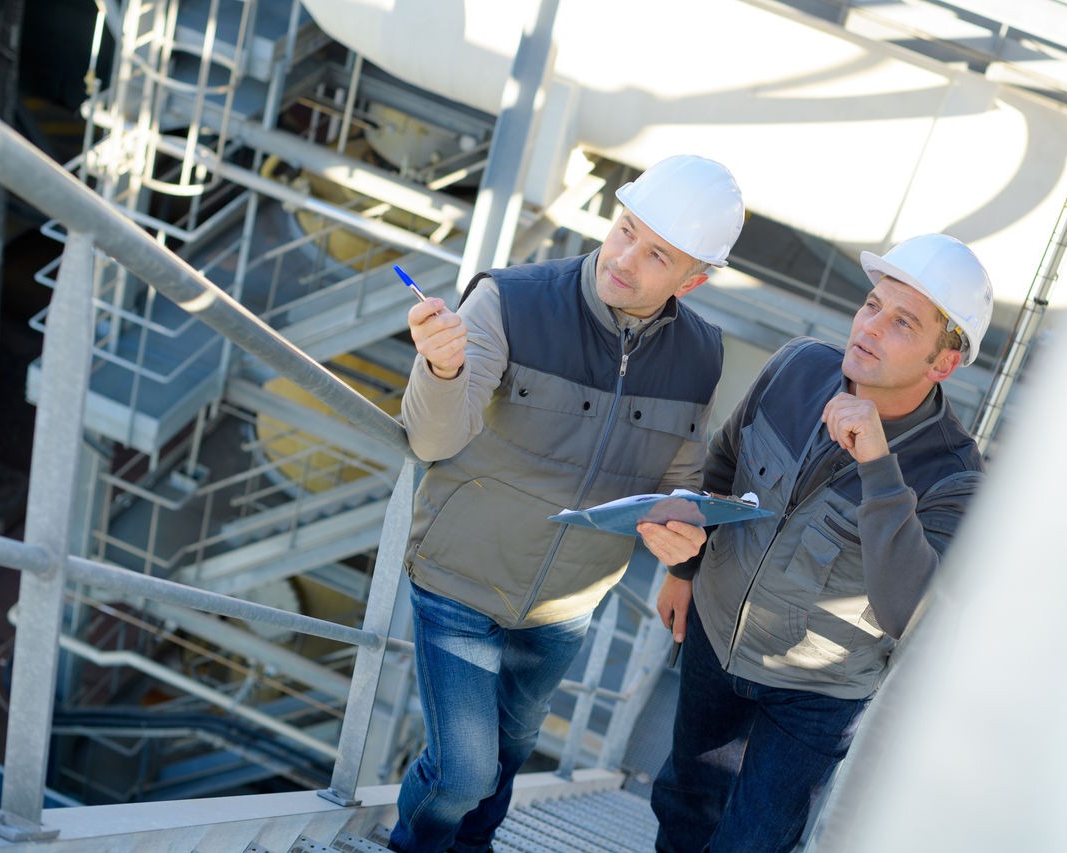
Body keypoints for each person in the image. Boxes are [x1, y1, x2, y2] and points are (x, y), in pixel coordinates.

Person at [385, 154, 745, 853]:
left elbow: (680, 472)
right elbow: (432, 439)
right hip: (461, 579)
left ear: (692, 279)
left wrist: (681, 545)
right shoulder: (510, 300)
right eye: (625, 229)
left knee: (512, 751)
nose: (624, 258)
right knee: (463, 770)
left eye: (656, 253)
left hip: (565, 606)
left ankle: (472, 847)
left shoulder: (702, 354)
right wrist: (442, 365)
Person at [643, 233, 994, 853]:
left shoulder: (956, 477)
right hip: (714, 638)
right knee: (684, 802)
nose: (870, 328)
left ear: (943, 364)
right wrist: (685, 570)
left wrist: (880, 469)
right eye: (871, 306)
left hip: (815, 696)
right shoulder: (797, 368)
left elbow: (908, 613)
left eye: (902, 323)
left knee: (753, 844)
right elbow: (724, 467)